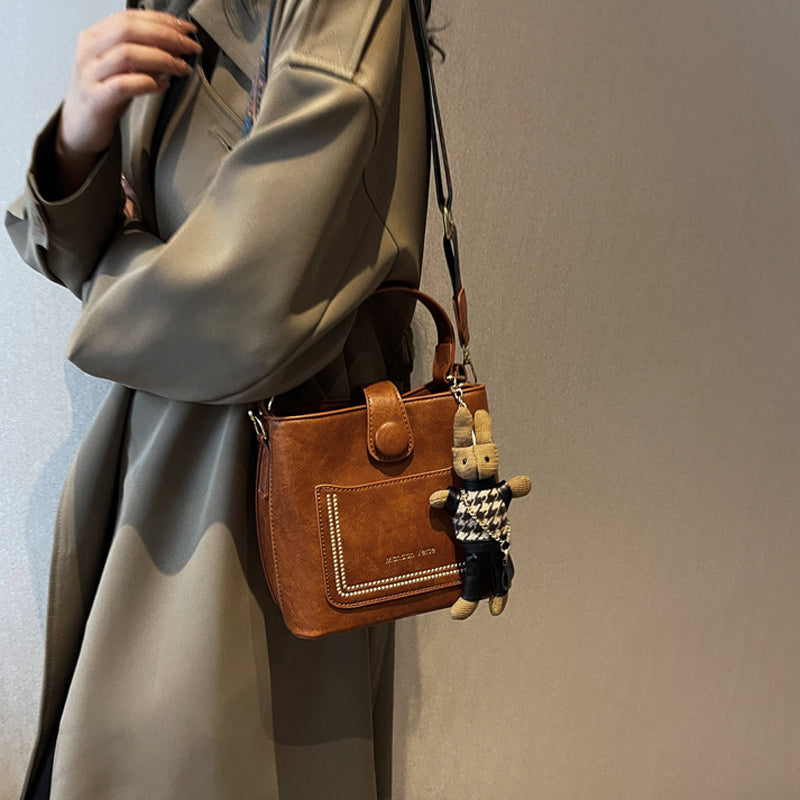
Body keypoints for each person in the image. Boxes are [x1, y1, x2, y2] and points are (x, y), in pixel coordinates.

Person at [5, 0, 430, 797]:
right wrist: (77, 144)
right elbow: (91, 247)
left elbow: (247, 309)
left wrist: (108, 276)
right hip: (147, 484)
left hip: (258, 519)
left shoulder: (344, 12)